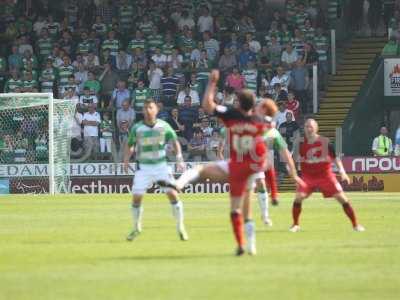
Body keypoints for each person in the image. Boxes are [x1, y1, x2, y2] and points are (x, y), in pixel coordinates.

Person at [123, 99, 188, 242]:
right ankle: (136, 227)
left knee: (173, 195)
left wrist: (179, 158)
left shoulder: (164, 126)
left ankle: (180, 227)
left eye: (150, 108)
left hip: (161, 168)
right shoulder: (137, 128)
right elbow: (130, 144)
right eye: (145, 108)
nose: (147, 110)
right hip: (143, 168)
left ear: (156, 110)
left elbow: (174, 141)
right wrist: (126, 159)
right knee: (136, 198)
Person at [290, 119, 365, 233]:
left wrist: (342, 172)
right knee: (299, 197)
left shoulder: (325, 142)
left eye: (310, 126)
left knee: (342, 198)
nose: (308, 129)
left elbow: (336, 159)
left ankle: (356, 225)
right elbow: (292, 160)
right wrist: (294, 174)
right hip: (308, 177)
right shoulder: (300, 143)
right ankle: (295, 225)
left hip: (326, 176)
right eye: (306, 126)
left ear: (316, 128)